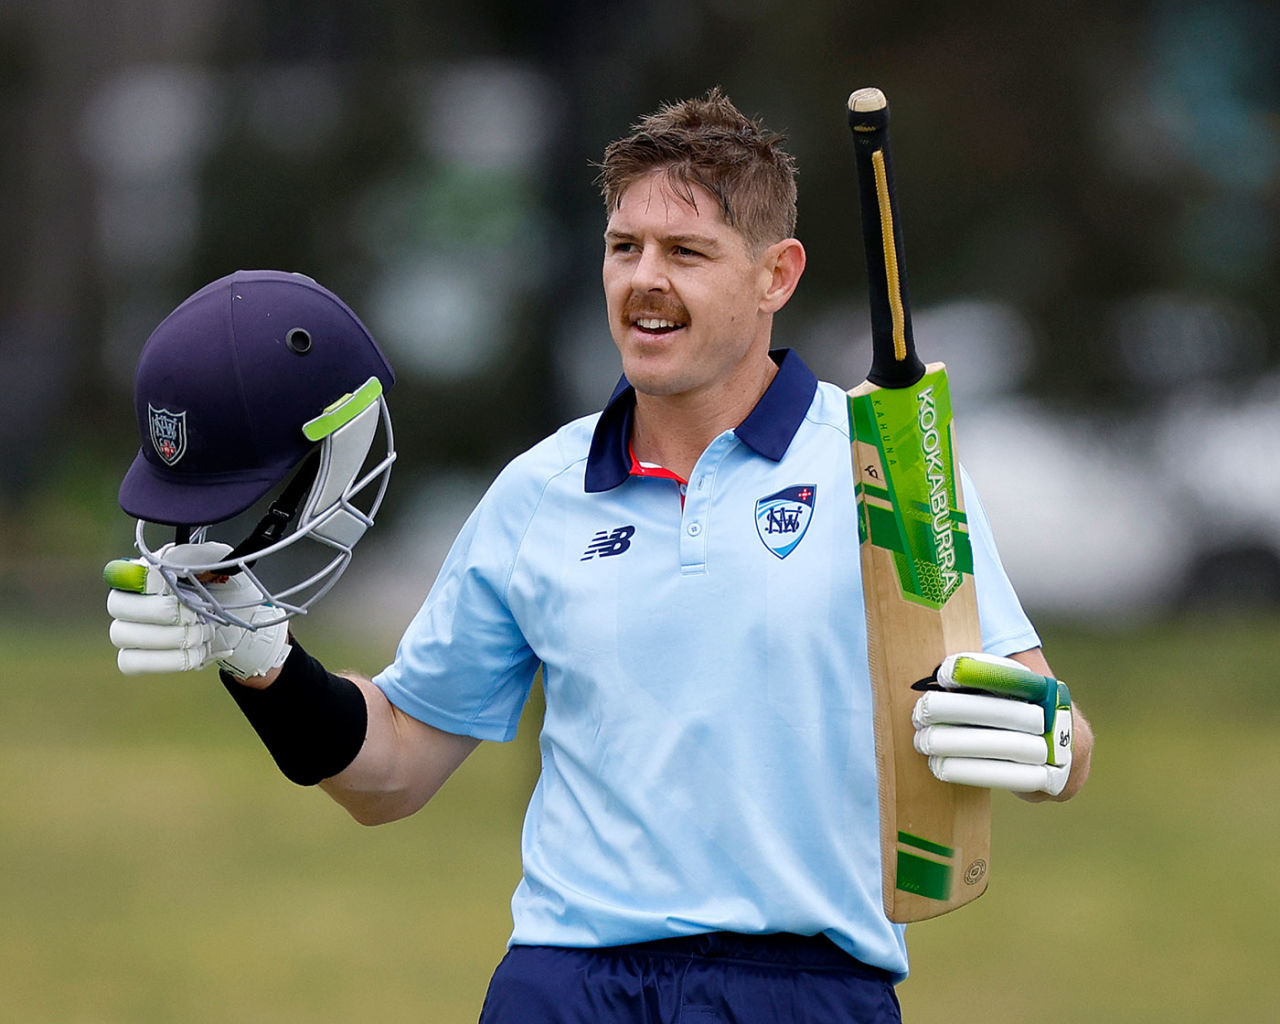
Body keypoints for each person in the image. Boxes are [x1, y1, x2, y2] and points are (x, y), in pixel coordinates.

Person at [107, 89, 1093, 1024]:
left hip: (809, 985)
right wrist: (261, 661)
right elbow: (393, 769)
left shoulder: (882, 472)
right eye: (623, 247)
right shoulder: (538, 491)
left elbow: (1047, 721)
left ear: (774, 276)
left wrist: (1046, 743)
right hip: (569, 983)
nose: (643, 278)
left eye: (685, 251)